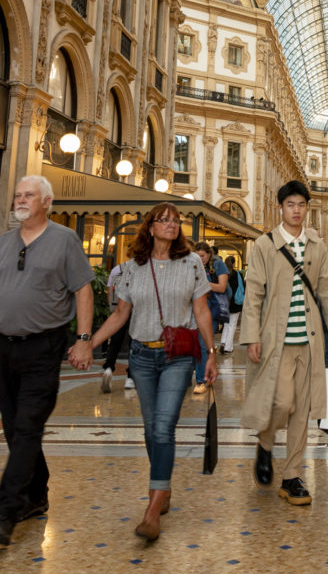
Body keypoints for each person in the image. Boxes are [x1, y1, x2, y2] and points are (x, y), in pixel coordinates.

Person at [89, 203, 217, 541]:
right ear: (150, 227)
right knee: (150, 430)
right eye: (164, 220)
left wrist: (211, 354)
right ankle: (164, 487)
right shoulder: (133, 268)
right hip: (142, 356)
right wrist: (89, 343)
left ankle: (152, 505)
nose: (172, 224)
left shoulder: (191, 263)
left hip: (177, 357)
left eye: (176, 220)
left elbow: (202, 311)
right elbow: (120, 315)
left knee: (163, 428)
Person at [0, 176, 94, 548]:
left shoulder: (64, 240)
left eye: (29, 195)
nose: (21, 200)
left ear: (46, 202)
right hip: (2, 348)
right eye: (17, 195)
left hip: (42, 348)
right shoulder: (5, 242)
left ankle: (6, 510)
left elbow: (83, 289)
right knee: (15, 427)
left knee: (27, 428)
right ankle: (36, 495)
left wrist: (85, 340)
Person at [240, 180, 328, 506]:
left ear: (306, 208)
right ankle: (266, 441)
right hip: (276, 342)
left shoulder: (317, 246)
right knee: (281, 403)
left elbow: (327, 290)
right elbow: (254, 292)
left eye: (301, 205)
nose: (296, 211)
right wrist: (251, 336)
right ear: (281, 208)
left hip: (310, 341)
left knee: (302, 410)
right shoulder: (265, 245)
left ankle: (292, 475)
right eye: (290, 205)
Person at [193, 241, 228, 395]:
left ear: (209, 254)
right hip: (195, 308)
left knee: (203, 343)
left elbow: (222, 287)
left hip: (212, 309)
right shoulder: (193, 265)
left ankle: (201, 380)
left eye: (203, 256)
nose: (200, 259)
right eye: (197, 256)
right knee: (195, 344)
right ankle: (205, 373)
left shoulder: (218, 265)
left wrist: (204, 284)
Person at [101, 261, 135, 392]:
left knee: (115, 342)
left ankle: (108, 368)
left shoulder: (117, 269)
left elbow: (110, 293)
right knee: (134, 344)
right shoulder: (143, 268)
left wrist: (114, 312)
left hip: (118, 311)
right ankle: (130, 378)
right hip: (136, 311)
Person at [220, 256, 244, 353]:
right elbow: (243, 288)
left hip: (225, 303)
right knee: (232, 325)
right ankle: (228, 347)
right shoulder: (238, 274)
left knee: (226, 324)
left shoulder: (223, 274)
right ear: (234, 264)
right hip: (236, 303)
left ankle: (223, 343)